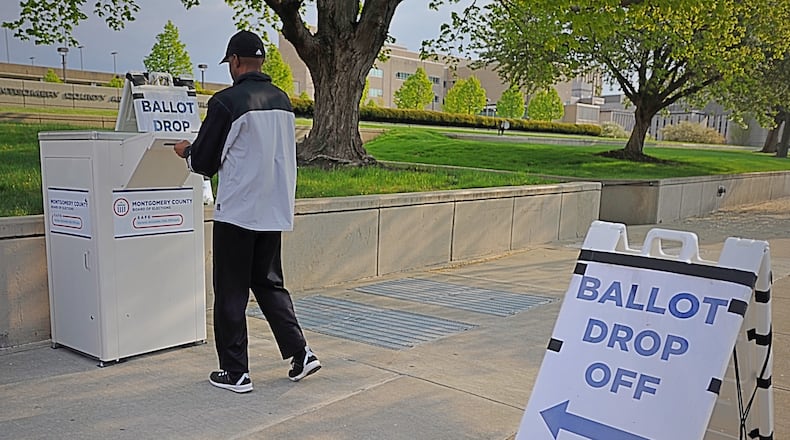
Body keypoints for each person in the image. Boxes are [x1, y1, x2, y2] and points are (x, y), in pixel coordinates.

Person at [174, 30, 320, 393]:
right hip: (273, 210)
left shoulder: (227, 102)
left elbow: (205, 162)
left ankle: (235, 372)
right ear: (261, 63)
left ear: (235, 62)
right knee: (270, 285)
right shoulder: (282, 100)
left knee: (230, 292)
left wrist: (185, 151)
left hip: (238, 212)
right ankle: (301, 354)